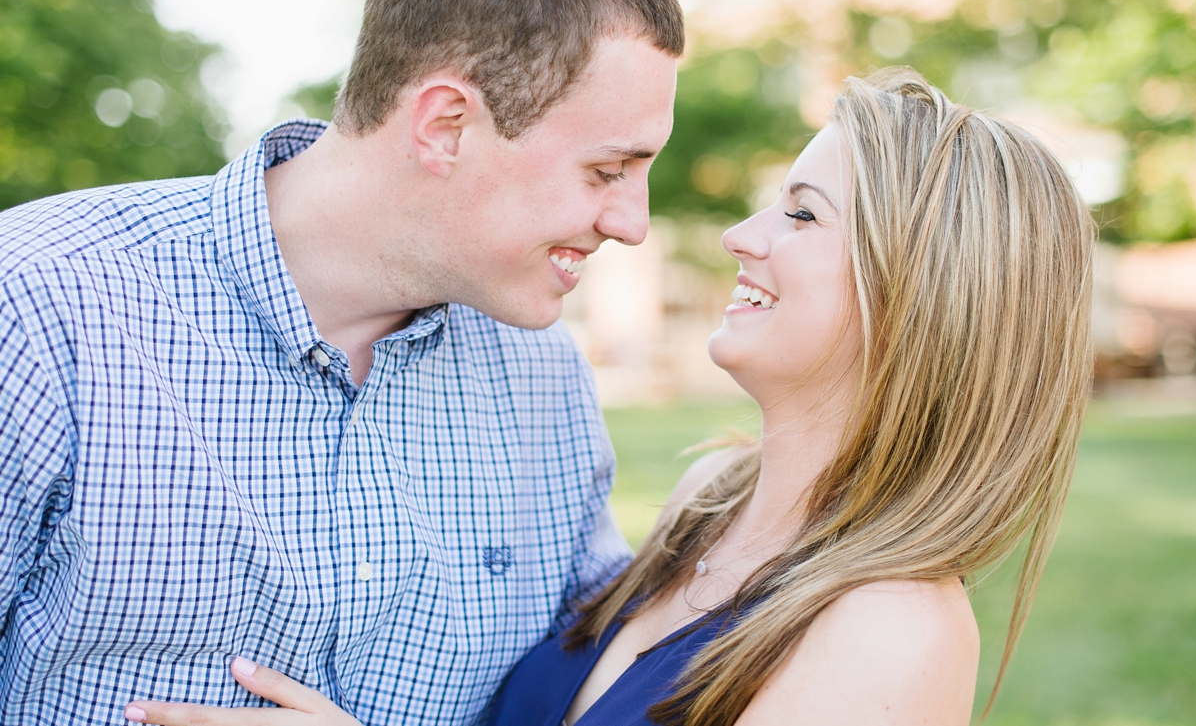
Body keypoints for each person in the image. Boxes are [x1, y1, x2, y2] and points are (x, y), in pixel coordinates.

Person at [127, 69, 1096, 726]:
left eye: (802, 214)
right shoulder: (710, 505)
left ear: (917, 292)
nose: (743, 236)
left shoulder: (894, 628)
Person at [0, 0, 683, 726]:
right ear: (445, 126)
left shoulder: (544, 385)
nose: (632, 223)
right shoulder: (39, 304)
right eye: (607, 171)